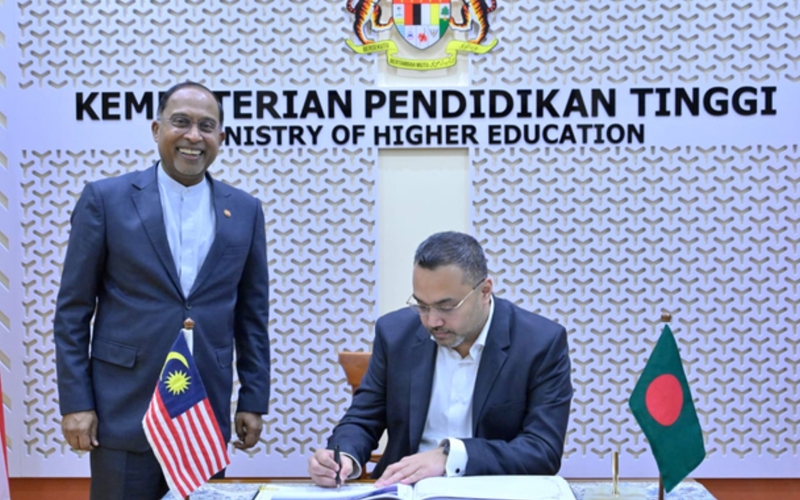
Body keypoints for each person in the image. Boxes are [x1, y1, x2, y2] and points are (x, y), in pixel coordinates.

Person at [54, 81, 271, 499]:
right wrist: (76, 403)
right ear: (157, 130)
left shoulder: (245, 210)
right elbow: (72, 313)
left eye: (206, 126)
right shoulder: (106, 200)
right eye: (181, 122)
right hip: (123, 413)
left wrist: (253, 399)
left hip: (203, 416)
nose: (194, 136)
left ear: (221, 137)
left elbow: (251, 316)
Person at [309, 231, 573, 487]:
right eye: (422, 306)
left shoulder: (540, 343)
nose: (432, 321)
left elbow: (542, 451)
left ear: (484, 291)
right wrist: (342, 457)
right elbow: (364, 418)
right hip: (405, 490)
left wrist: (452, 456)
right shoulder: (395, 334)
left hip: (491, 490)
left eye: (446, 307)